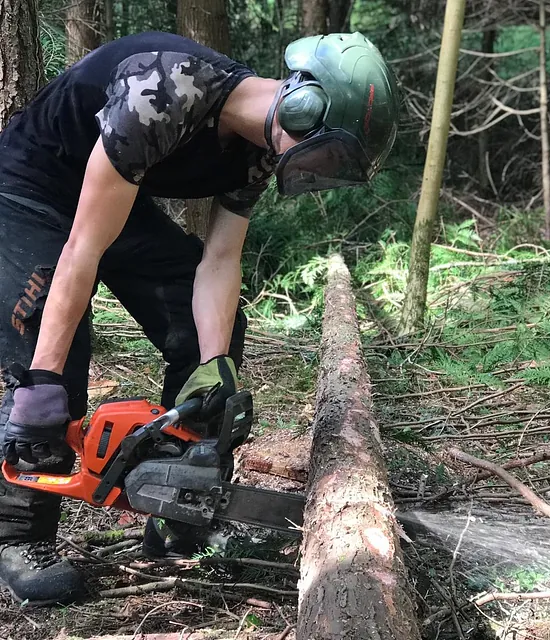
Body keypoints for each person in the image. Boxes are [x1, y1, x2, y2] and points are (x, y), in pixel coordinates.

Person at [0, 30, 398, 605]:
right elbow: (82, 248)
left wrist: (213, 367)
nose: (320, 168)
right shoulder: (161, 91)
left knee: (212, 329)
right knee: (48, 361)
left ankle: (179, 506)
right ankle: (19, 535)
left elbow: (219, 261)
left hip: (115, 190)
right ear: (302, 106)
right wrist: (41, 382)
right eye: (330, 152)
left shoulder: (261, 149)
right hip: (33, 186)